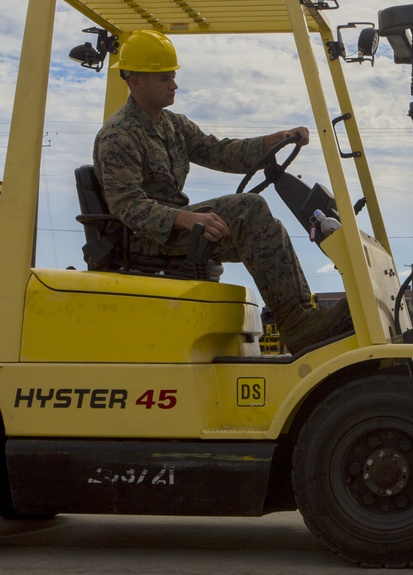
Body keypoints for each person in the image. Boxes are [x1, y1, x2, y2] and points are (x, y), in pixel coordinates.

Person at [93, 30, 350, 355]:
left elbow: (218, 152)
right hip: (149, 237)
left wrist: (274, 140)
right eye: (164, 78)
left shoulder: (172, 124)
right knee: (251, 210)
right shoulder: (118, 136)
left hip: (178, 231)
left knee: (269, 229)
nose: (174, 84)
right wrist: (185, 218)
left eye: (173, 76)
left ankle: (303, 316)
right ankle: (298, 327)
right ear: (136, 81)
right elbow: (127, 206)